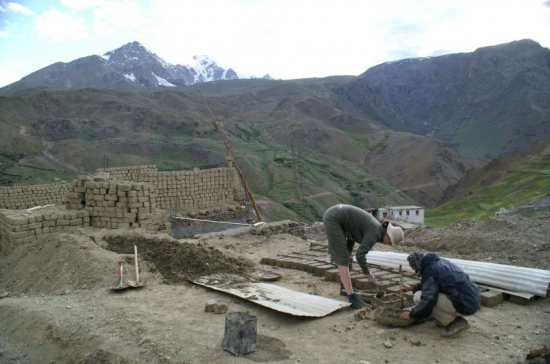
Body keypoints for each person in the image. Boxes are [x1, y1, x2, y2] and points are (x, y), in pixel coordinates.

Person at [323, 204, 404, 309]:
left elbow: (352, 234)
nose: (388, 244)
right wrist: (367, 273)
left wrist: (348, 253)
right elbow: (360, 255)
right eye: (390, 242)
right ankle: (352, 298)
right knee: (342, 259)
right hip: (334, 218)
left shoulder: (376, 229)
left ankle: (345, 288)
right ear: (388, 235)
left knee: (346, 257)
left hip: (336, 215)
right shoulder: (375, 232)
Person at [399, 250, 481, 337]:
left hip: (464, 303)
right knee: (427, 297)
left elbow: (428, 299)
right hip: (472, 299)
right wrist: (413, 287)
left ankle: (455, 322)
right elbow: (433, 283)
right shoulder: (438, 262)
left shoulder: (430, 270)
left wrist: (411, 314)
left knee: (419, 297)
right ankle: (441, 317)